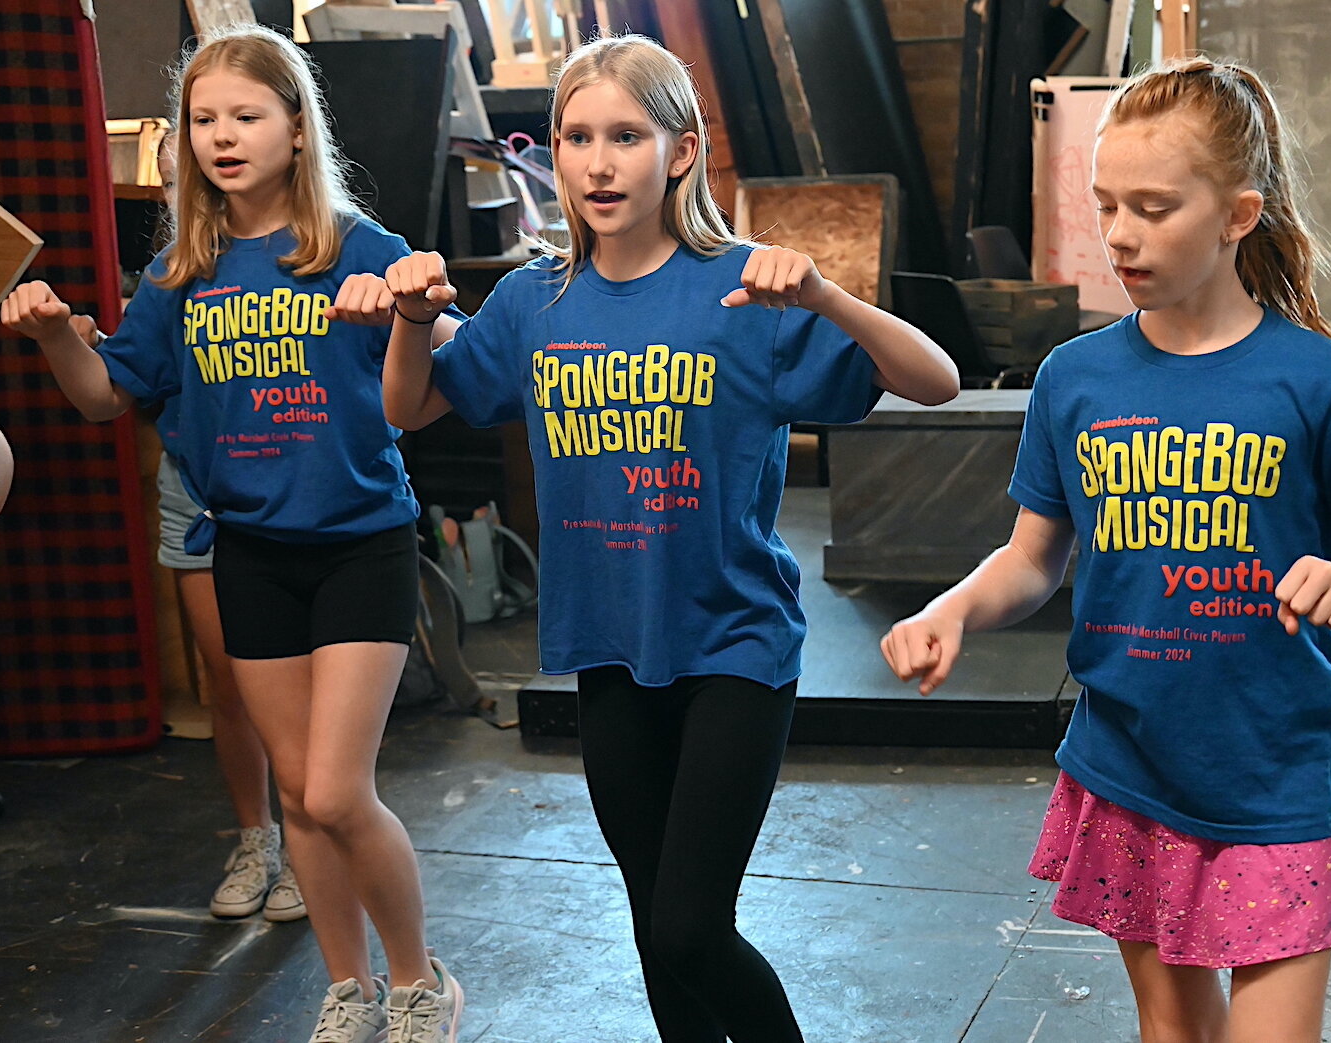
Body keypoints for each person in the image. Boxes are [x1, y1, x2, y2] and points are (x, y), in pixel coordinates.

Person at [377, 33, 958, 1043]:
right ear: (551, 153)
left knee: (691, 926)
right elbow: (410, 405)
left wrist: (821, 293)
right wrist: (408, 318)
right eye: (575, 137)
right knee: (655, 930)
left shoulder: (747, 292)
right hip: (608, 647)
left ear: (679, 151)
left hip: (733, 646)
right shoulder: (532, 302)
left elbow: (935, 380)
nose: (598, 163)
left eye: (625, 136)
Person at [881, 57, 1331, 1043]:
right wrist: (951, 608)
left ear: (1236, 215)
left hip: (1275, 776)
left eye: (1153, 206)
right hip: (1129, 769)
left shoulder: (1320, 378)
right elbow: (1031, 557)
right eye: (1105, 205)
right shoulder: (1074, 378)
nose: (1120, 234)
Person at [2, 24, 465, 1043]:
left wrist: (413, 308)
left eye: (245, 116)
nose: (222, 136)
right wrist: (47, 337)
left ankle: (420, 975)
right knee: (297, 791)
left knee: (341, 788)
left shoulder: (358, 245)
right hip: (248, 550)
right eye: (202, 120)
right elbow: (101, 398)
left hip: (358, 543)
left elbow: (454, 354)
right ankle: (349, 985)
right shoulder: (182, 270)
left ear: (296, 129)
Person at [66, 137, 305, 924]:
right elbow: (116, 385)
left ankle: (312, 841)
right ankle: (256, 835)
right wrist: (64, 340)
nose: (190, 185)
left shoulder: (326, 245)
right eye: (173, 178)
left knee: (302, 695)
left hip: (300, 499)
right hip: (201, 502)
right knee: (230, 684)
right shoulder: (174, 275)